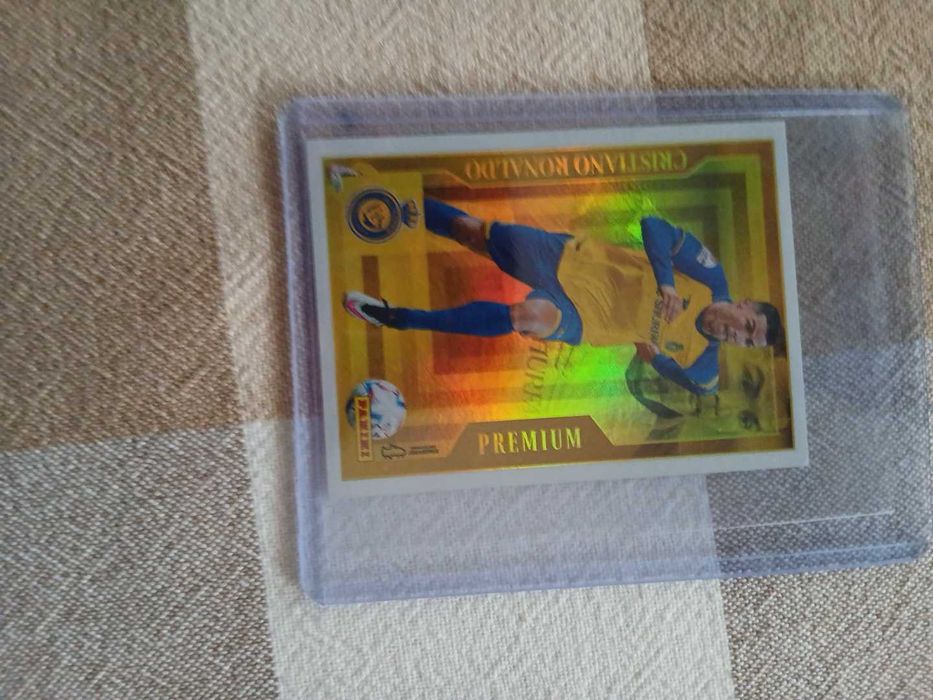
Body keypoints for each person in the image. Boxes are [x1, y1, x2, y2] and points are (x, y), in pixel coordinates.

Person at [343, 198, 785, 396]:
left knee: (529, 317)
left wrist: (656, 360)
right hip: (572, 261)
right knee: (470, 233)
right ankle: (387, 198)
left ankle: (398, 317)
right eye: (747, 325)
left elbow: (700, 387)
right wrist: (666, 281)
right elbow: (653, 225)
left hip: (585, 320)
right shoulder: (709, 275)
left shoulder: (704, 363)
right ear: (744, 304)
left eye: (747, 342)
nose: (737, 335)